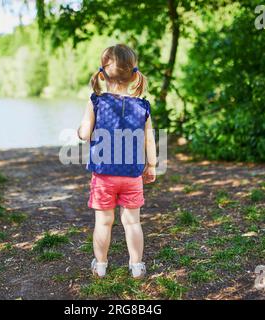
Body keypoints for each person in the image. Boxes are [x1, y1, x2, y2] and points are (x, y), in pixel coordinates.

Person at [78, 44, 157, 279]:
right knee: (132, 222)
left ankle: (101, 265)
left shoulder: (96, 102)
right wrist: (151, 166)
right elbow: (149, 140)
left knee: (104, 222)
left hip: (104, 175)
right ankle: (136, 266)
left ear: (102, 74)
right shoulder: (142, 106)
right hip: (132, 176)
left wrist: (81, 130)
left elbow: (84, 134)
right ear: (134, 74)